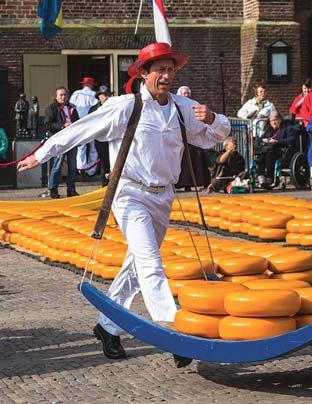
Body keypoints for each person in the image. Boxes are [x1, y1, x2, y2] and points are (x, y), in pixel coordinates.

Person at [18, 42, 230, 367]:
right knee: (150, 263)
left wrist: (214, 118)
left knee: (135, 267)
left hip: (163, 196)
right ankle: (174, 332)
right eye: (159, 69)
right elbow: (80, 130)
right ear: (143, 73)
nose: (166, 75)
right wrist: (40, 153)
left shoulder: (182, 107)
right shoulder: (124, 106)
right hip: (130, 195)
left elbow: (214, 137)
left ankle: (107, 327)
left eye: (170, 69)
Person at [43, 86, 79, 198]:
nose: (63, 97)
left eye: (65, 95)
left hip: (71, 140)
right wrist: (62, 126)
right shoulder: (51, 108)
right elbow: (47, 124)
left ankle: (71, 189)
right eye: (61, 95)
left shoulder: (72, 107)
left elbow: (78, 122)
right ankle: (53, 190)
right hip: (59, 140)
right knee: (57, 166)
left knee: (73, 167)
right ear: (56, 96)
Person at [255, 110, 297, 187]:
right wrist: (263, 140)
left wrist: (277, 141)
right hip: (268, 150)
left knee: (269, 154)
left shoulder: (287, 128)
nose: (274, 122)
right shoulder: (269, 130)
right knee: (260, 155)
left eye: (275, 120)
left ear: (280, 120)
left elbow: (291, 139)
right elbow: (259, 140)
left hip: (281, 150)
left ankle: (269, 177)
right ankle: (261, 176)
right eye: (271, 121)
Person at [70, 77, 100, 176]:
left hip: (79, 122)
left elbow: (71, 106)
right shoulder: (94, 95)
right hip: (92, 122)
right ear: (91, 85)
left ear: (83, 84)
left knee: (81, 146)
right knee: (93, 147)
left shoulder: (76, 93)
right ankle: (91, 170)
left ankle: (81, 168)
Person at [89, 86, 113, 186]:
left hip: (113, 138)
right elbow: (90, 123)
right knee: (104, 163)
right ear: (99, 97)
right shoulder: (94, 109)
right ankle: (105, 185)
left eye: (108, 94)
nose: (106, 97)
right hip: (101, 139)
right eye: (103, 95)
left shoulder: (115, 107)